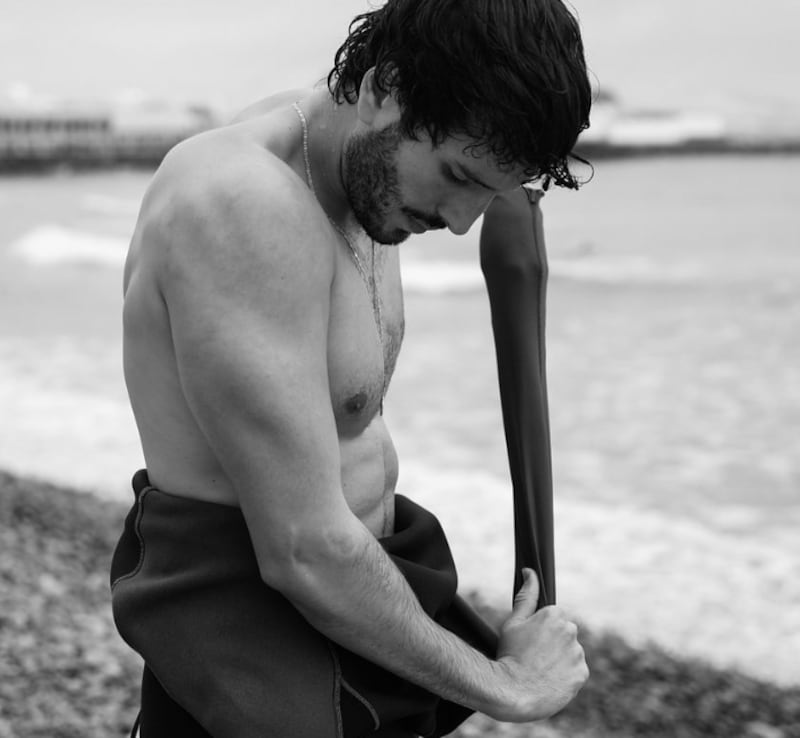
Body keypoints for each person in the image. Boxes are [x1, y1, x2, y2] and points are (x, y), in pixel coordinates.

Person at [110, 0, 593, 735]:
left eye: (489, 195)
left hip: (352, 608)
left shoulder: (367, 175)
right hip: (257, 645)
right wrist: (505, 684)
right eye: (459, 176)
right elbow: (303, 548)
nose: (462, 222)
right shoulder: (247, 203)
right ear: (385, 87)